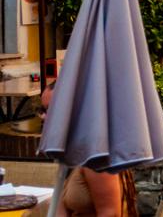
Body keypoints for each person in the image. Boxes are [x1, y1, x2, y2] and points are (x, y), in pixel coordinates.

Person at [40, 83, 138, 216]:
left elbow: (110, 214)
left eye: (50, 109)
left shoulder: (95, 155)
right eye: (43, 110)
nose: (43, 117)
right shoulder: (73, 151)